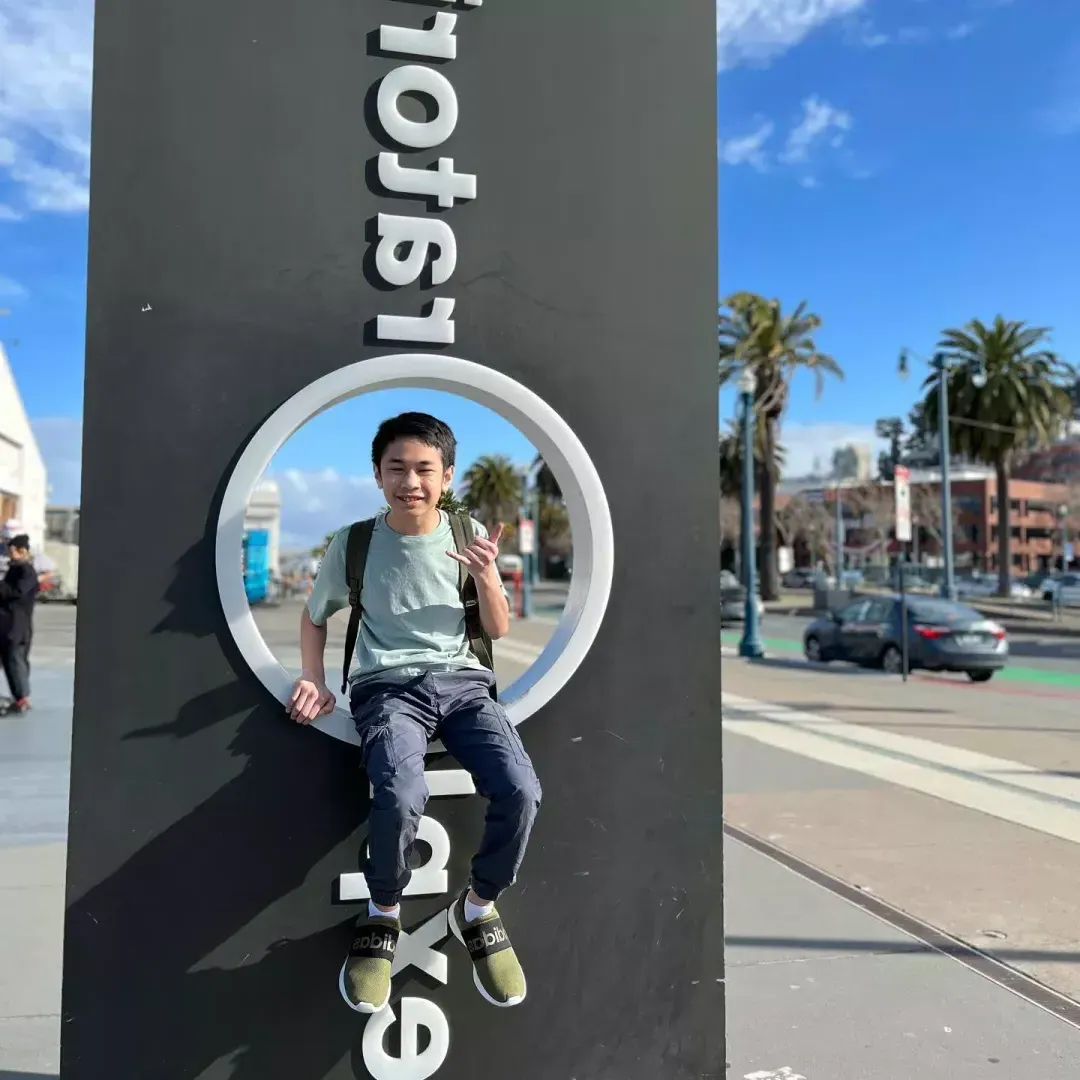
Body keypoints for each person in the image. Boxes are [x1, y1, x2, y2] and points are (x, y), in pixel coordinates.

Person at [289, 412, 542, 1015]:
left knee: (522, 790)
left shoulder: (468, 529)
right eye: (396, 468)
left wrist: (486, 576)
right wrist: (313, 678)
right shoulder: (353, 543)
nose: (411, 481)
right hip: (387, 688)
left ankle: (477, 907)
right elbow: (314, 614)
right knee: (400, 793)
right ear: (377, 475)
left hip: (463, 685)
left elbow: (498, 628)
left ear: (446, 475)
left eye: (424, 469)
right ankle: (383, 915)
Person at [0, 534, 38, 715]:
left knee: (15, 661)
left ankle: (22, 698)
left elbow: (17, 592)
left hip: (16, 625)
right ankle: (19, 697)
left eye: (12, 549)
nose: (9, 552)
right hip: (7, 623)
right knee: (9, 660)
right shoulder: (15, 569)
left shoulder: (26, 571)